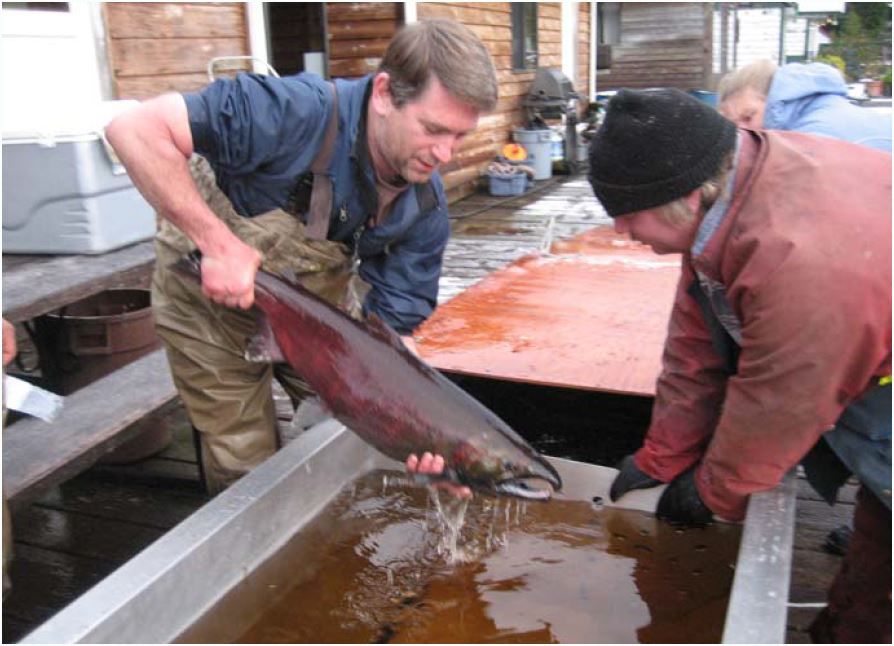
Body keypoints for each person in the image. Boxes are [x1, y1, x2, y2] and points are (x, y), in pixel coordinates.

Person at [106, 19, 497, 495]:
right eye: (434, 129)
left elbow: (391, 340)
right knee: (243, 461)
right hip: (207, 307)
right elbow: (134, 128)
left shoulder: (424, 208)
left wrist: (428, 434)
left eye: (459, 137)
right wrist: (218, 243)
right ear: (382, 93)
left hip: (317, 317)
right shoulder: (291, 111)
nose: (445, 154)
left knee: (349, 437)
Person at [588, 88, 891, 643]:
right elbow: (694, 342)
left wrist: (710, 492)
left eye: (628, 216)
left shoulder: (798, 257)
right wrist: (662, 456)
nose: (621, 233)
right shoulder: (726, 197)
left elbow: (779, 402)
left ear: (682, 197)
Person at [718, 59, 892, 152]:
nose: (742, 132)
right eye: (735, 127)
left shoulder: (807, 141)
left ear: (775, 100)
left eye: (748, 117)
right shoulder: (832, 109)